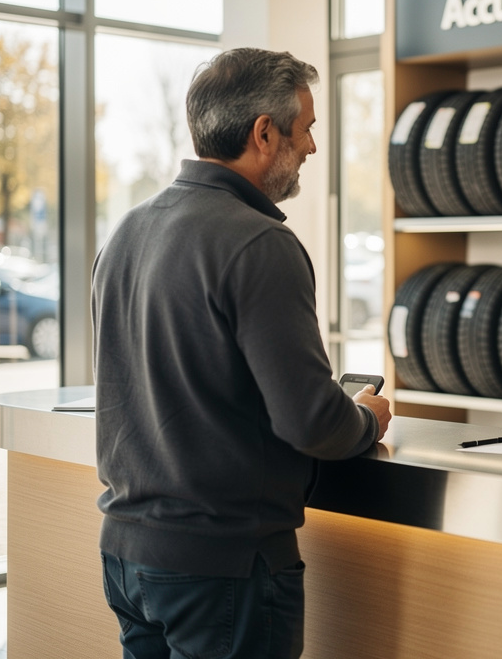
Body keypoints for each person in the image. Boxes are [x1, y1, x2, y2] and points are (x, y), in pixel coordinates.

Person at [91, 47, 392, 658]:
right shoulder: (261, 242)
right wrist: (365, 419)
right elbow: (311, 421)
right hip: (223, 566)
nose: (311, 146)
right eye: (305, 128)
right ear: (263, 133)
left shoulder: (126, 231)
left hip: (125, 555)